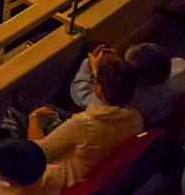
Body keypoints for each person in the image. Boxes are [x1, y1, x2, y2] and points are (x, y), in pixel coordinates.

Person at [20, 49, 146, 193]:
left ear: (98, 88)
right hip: (90, 175)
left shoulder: (84, 124)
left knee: (27, 111)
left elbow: (37, 154)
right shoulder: (136, 119)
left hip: (60, 182)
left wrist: (33, 118)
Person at [68, 43, 185, 126]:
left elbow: (82, 96)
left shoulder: (124, 103)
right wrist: (116, 65)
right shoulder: (184, 70)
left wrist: (92, 66)